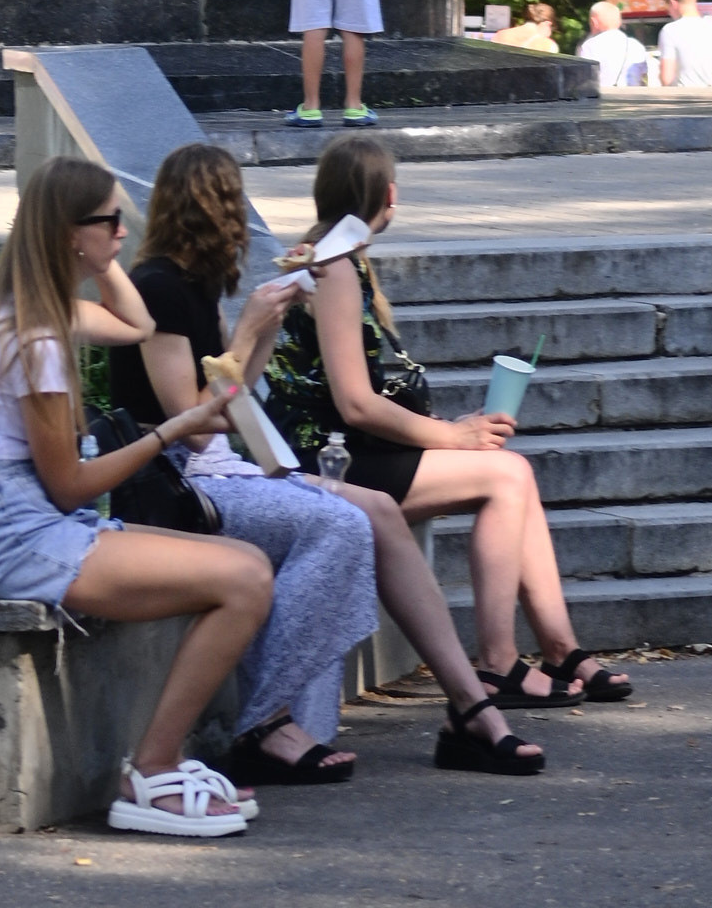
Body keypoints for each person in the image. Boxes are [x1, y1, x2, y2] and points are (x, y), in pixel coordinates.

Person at [113, 144, 544, 780]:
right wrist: (247, 332)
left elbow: (232, 404)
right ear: (211, 209)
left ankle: (471, 705)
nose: (240, 227)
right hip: (179, 481)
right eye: (233, 206)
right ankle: (267, 719)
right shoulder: (158, 290)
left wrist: (257, 330)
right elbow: (196, 425)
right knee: (343, 523)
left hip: (224, 464)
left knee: (375, 512)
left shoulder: (194, 289)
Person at [0, 155, 271, 837]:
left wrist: (97, 256)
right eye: (111, 222)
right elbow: (69, 484)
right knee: (244, 579)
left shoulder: (30, 307)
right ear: (70, 232)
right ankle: (151, 773)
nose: (126, 233)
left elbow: (138, 325)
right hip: (23, 538)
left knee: (240, 563)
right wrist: (171, 432)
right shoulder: (36, 337)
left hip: (30, 522)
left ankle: (157, 766)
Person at [263, 136, 633, 711]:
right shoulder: (334, 268)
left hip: (346, 448)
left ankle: (559, 648)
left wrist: (439, 426)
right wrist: (451, 437)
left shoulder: (336, 257)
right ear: (389, 194)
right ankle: (498, 664)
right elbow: (354, 403)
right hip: (326, 461)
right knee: (505, 476)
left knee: (511, 472)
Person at [657, 0, 712, 90]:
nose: (669, 13)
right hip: (711, 101)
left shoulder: (670, 31)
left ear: (673, 4)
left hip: (682, 100)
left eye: (668, 9)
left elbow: (666, 78)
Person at [576, 0, 650, 90]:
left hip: (603, 101)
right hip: (634, 100)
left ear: (594, 22)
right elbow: (644, 78)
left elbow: (583, 81)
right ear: (619, 22)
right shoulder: (636, 46)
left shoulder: (590, 46)